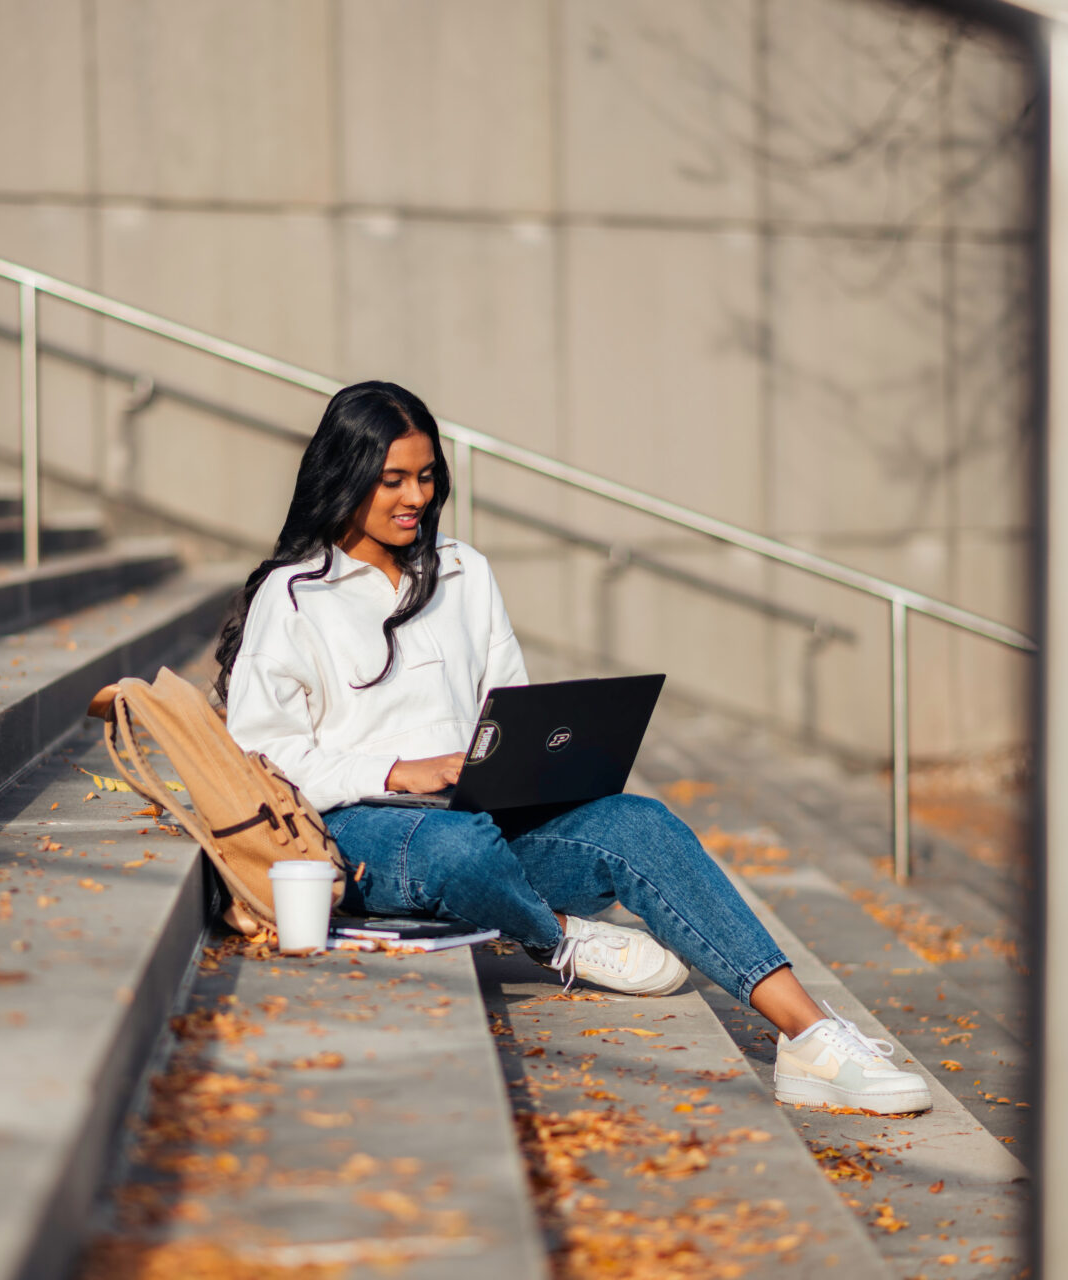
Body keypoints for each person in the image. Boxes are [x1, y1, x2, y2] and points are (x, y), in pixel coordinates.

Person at [215, 381, 931, 1116]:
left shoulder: (465, 572)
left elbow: (509, 707)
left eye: (427, 476)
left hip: (480, 818)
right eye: (392, 479)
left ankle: (810, 1038)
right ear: (345, 475)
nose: (416, 497)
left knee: (639, 823)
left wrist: (536, 765)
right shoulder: (295, 595)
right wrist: (397, 769)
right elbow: (260, 755)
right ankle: (556, 937)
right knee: (455, 847)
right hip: (368, 831)